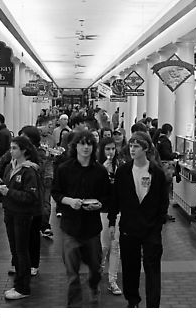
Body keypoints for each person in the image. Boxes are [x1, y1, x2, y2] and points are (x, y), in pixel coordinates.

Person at [108, 131, 169, 308]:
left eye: (137, 146)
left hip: (151, 229)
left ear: (146, 149)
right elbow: (115, 199)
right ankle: (133, 300)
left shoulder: (156, 173)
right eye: (131, 146)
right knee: (130, 268)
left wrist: (158, 223)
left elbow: (163, 202)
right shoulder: (123, 172)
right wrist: (112, 222)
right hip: (129, 227)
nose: (132, 149)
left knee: (152, 269)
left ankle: (152, 305)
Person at [52, 130, 111, 307]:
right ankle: (74, 306)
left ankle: (93, 287)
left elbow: (107, 195)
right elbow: (56, 192)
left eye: (89, 144)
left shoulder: (100, 171)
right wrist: (70, 201)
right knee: (72, 273)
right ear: (75, 146)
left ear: (94, 147)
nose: (86, 147)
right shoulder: (64, 169)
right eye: (82, 143)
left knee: (95, 268)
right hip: (70, 227)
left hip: (92, 228)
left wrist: (99, 204)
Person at [0, 136, 42, 300]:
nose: (11, 151)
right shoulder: (11, 166)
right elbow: (10, 187)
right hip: (10, 211)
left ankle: (23, 287)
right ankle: (19, 283)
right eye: (11, 148)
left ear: (24, 150)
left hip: (22, 214)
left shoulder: (29, 170)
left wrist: (8, 192)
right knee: (15, 250)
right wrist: (1, 185)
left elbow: (31, 196)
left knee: (22, 250)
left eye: (15, 148)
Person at [18, 125, 54, 274]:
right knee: (19, 235)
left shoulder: (40, 154)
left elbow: (44, 171)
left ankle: (33, 263)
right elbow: (3, 166)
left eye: (24, 138)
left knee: (32, 233)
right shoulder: (15, 153)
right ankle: (18, 263)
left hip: (35, 199)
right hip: (19, 200)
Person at [97, 137, 122, 296]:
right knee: (104, 245)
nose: (110, 152)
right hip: (103, 210)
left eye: (113, 149)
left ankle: (112, 280)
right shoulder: (97, 167)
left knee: (115, 245)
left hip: (118, 209)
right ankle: (98, 269)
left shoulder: (120, 166)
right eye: (107, 149)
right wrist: (102, 172)